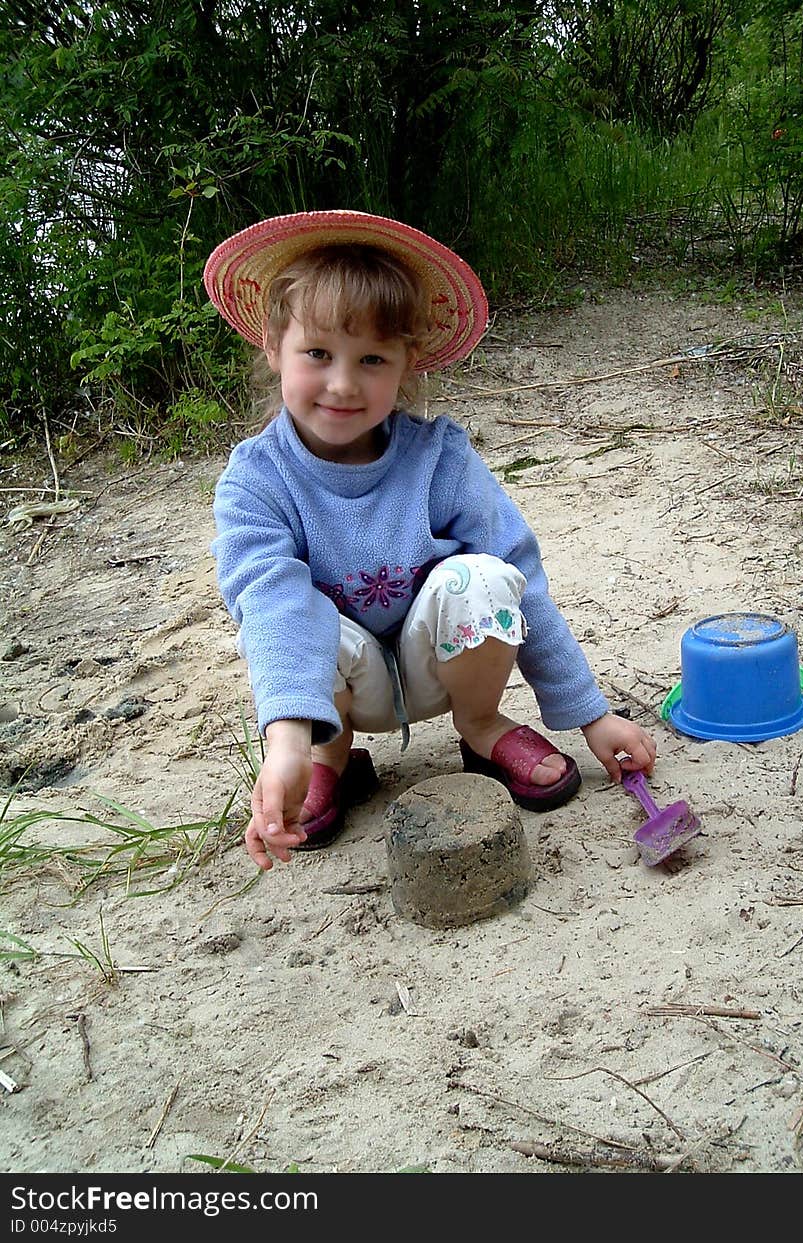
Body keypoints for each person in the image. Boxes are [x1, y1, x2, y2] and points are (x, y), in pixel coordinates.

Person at [204, 210, 656, 871]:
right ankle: (329, 754)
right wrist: (287, 744)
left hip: (437, 663)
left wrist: (590, 714)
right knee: (286, 616)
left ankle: (482, 725)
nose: (343, 383)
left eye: (373, 359)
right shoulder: (255, 480)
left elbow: (519, 568)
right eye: (318, 353)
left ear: (406, 364)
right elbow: (273, 605)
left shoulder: (437, 459)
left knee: (483, 578)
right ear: (274, 345)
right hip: (336, 685)